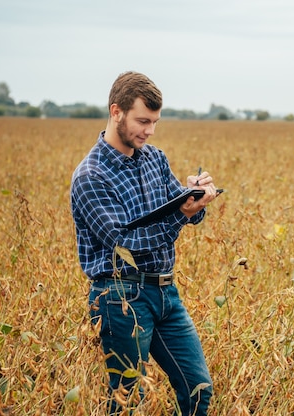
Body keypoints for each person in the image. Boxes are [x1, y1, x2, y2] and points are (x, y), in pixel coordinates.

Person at [70, 71, 217, 415]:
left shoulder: (154, 158)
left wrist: (194, 196)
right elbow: (126, 245)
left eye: (154, 122)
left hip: (166, 293)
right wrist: (181, 213)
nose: (149, 131)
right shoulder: (91, 176)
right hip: (120, 297)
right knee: (127, 401)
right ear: (116, 111)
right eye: (142, 121)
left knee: (199, 390)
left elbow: (182, 212)